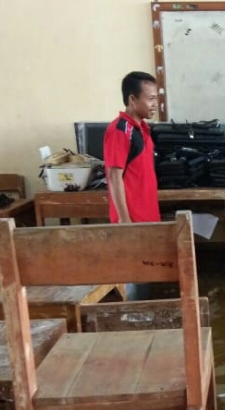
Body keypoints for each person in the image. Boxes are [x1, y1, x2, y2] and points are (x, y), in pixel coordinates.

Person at [103, 71, 160, 300]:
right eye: (150, 98)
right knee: (134, 285)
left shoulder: (142, 129)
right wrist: (125, 223)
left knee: (146, 277)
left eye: (156, 98)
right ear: (132, 99)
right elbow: (114, 177)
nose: (155, 104)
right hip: (132, 222)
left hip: (147, 219)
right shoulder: (120, 131)